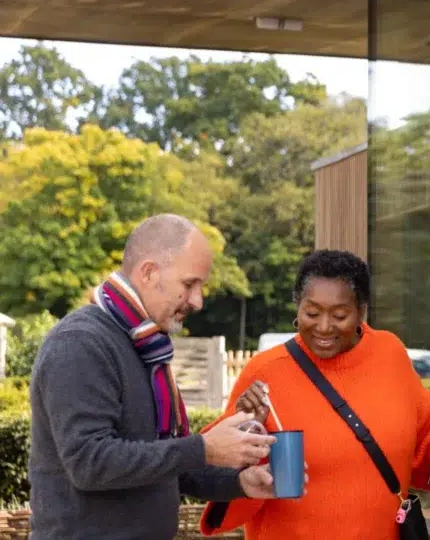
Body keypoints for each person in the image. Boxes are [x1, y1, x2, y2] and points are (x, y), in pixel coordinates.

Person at [199, 249, 430, 539]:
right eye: (312, 312)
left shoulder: (389, 354)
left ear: (361, 312)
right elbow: (214, 472)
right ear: (297, 306)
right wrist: (248, 428)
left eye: (340, 314)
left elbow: (422, 443)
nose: (324, 326)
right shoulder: (265, 372)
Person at [29, 214, 281, 540]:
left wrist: (239, 483)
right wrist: (202, 448)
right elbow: (90, 463)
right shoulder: (80, 343)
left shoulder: (145, 345)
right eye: (190, 284)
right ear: (148, 272)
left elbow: (163, 463)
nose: (197, 301)